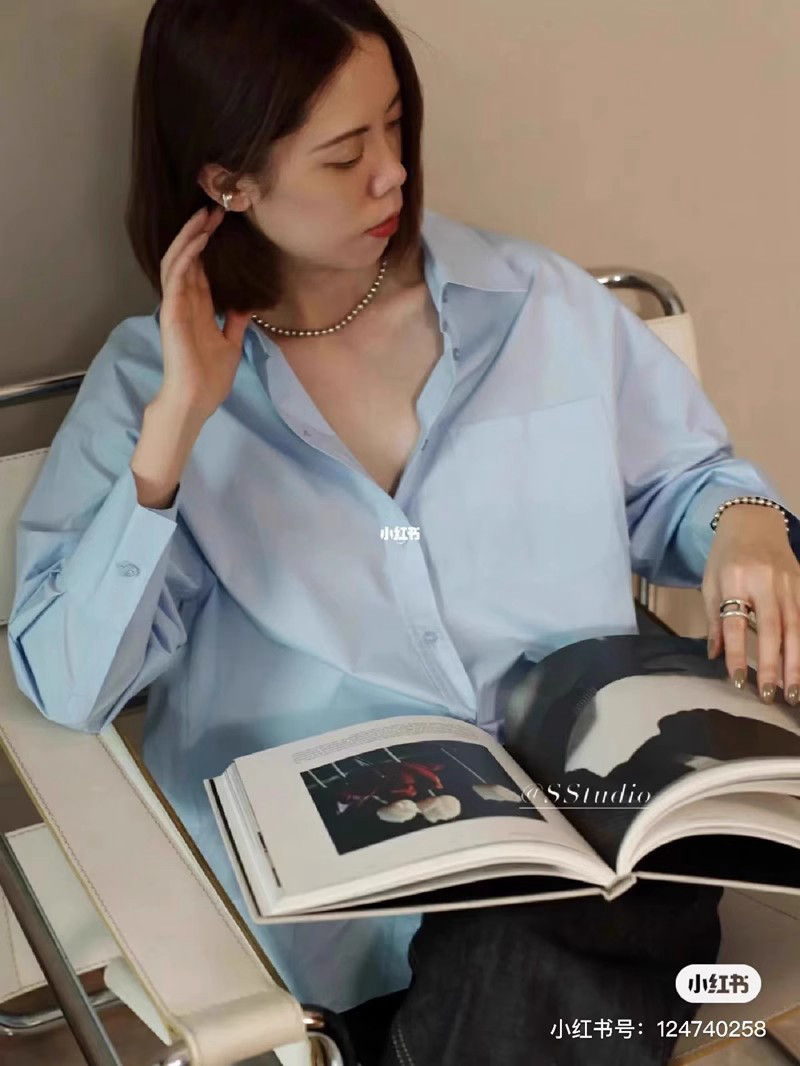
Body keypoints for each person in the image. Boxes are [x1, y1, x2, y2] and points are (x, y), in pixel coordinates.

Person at [7, 1, 800, 1062]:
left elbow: (684, 483)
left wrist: (746, 522)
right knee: (524, 973)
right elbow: (71, 686)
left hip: (603, 845)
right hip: (348, 910)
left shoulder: (536, 303)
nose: (393, 173)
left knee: (537, 943)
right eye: (345, 155)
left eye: (395, 125)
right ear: (228, 183)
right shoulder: (148, 385)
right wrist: (174, 437)